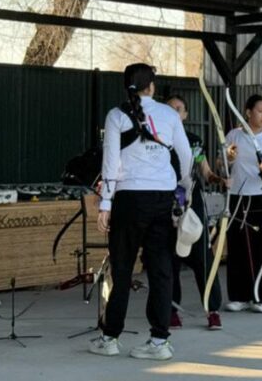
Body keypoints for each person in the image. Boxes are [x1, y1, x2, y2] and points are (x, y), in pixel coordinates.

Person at [90, 64, 193, 361]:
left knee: (121, 269)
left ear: (128, 87)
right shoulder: (169, 114)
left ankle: (110, 338)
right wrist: (183, 187)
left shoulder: (116, 115)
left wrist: (106, 204)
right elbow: (185, 157)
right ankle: (159, 341)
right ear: (152, 86)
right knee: (161, 269)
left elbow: (110, 163)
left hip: (128, 200)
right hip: (162, 198)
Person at [165, 95, 223, 330]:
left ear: (185, 115)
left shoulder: (194, 141)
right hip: (166, 202)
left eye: (179, 109)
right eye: (169, 108)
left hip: (192, 202)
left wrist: (220, 179)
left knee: (203, 257)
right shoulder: (157, 139)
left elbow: (206, 171)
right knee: (169, 259)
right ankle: (170, 310)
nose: (174, 112)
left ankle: (213, 310)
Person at [224, 95, 262, 314]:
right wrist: (229, 158)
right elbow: (223, 162)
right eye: (260, 111)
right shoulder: (234, 135)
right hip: (238, 196)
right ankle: (239, 296)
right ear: (248, 112)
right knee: (237, 246)